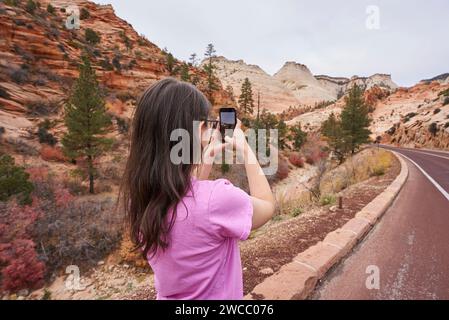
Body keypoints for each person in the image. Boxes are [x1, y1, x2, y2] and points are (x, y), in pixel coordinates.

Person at [120, 78, 275, 300]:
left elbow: (186, 198)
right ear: (201, 128)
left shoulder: (143, 201)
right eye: (207, 122)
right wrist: (246, 148)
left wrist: (206, 155)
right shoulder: (217, 200)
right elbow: (267, 206)